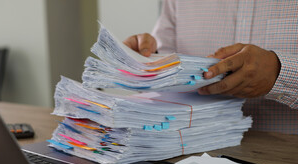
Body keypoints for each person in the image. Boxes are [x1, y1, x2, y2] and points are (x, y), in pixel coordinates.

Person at [124, 0, 297, 134]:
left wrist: (280, 73)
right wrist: (145, 60)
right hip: (192, 153)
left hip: (286, 158)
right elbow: (167, 57)